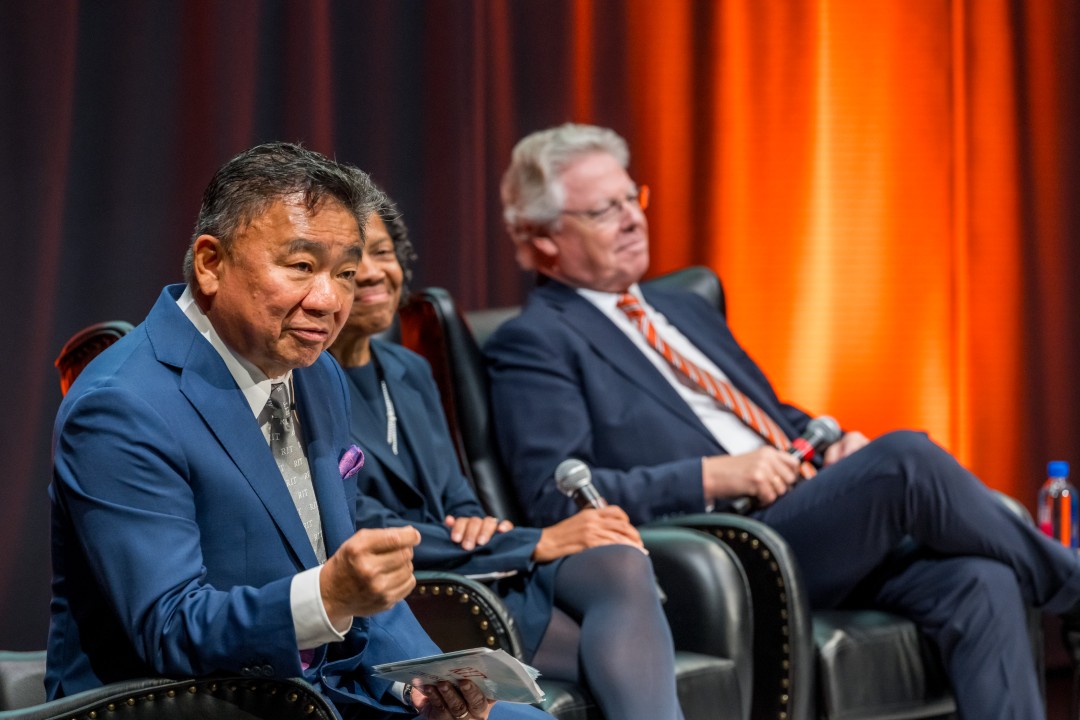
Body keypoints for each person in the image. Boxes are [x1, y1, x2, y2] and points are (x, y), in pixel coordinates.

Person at [484, 123, 1080, 720]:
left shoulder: (682, 306)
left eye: (630, 199)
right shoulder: (535, 341)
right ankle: (1072, 588)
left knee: (981, 581)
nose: (632, 219)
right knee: (904, 459)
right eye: (602, 211)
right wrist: (715, 476)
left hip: (810, 518)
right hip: (731, 544)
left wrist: (835, 445)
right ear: (542, 241)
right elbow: (554, 501)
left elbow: (769, 416)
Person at [47, 142, 552, 720]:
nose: (330, 300)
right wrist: (329, 596)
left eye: (345, 273)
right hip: (188, 703)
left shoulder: (317, 374)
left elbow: (349, 568)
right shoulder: (121, 404)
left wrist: (421, 680)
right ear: (211, 263)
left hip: (329, 693)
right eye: (302, 266)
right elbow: (171, 626)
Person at [327, 192, 686, 720]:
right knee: (626, 660)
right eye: (351, 264)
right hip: (425, 593)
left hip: (476, 566)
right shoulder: (306, 385)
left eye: (383, 253)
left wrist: (473, 523)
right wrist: (537, 540)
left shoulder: (409, 370)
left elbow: (458, 499)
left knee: (620, 559)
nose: (375, 273)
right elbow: (359, 528)